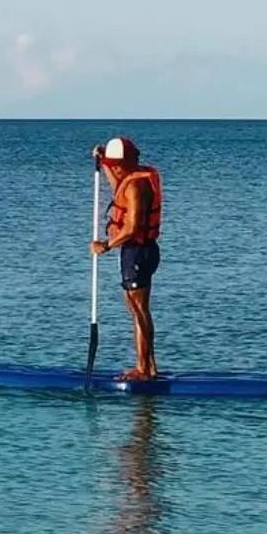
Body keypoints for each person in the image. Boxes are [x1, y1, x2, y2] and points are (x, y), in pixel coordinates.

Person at [91, 135, 163, 381]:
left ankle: (143, 370)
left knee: (138, 310)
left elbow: (132, 227)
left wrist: (106, 245)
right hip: (140, 251)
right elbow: (118, 188)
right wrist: (103, 163)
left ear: (127, 162)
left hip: (138, 251)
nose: (115, 169)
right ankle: (149, 367)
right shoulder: (132, 178)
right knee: (138, 309)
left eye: (116, 164)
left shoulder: (136, 187)